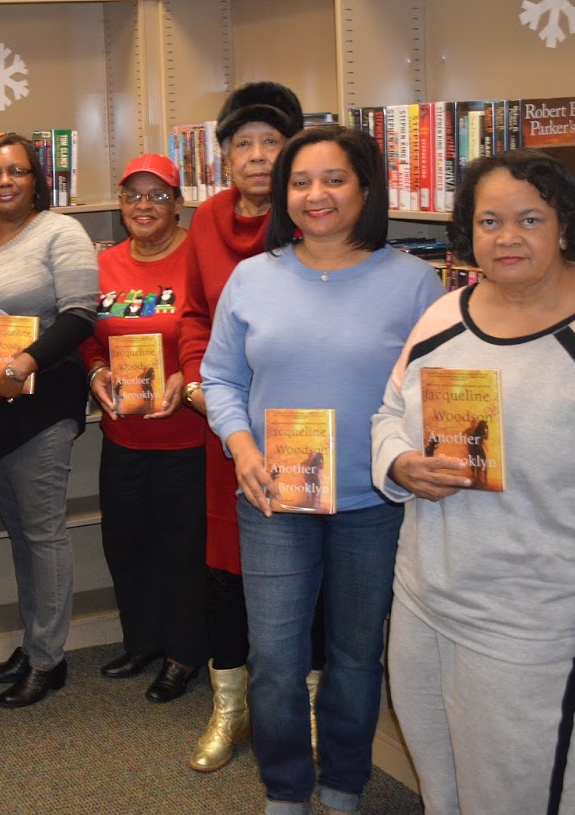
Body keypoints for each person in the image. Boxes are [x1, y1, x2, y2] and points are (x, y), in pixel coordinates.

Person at [372, 149, 575, 815]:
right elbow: (388, 416)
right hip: (425, 603)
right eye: (489, 221)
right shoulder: (443, 316)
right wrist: (399, 464)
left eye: (530, 219)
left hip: (538, 632)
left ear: (565, 225)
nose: (507, 238)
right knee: (442, 794)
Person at [201, 125, 442, 815]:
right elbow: (220, 378)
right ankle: (285, 788)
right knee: (276, 660)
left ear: (365, 188)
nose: (317, 195)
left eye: (334, 179)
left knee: (356, 656)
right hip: (275, 499)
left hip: (375, 504)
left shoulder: (414, 283)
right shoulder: (253, 278)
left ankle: (343, 784)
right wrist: (242, 447)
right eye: (301, 181)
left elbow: (434, 390)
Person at [0, 133, 99, 708]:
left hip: (41, 402)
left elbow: (81, 315)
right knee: (20, 532)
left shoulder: (61, 232)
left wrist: (25, 363)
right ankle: (36, 642)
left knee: (43, 533)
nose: (5, 181)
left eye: (17, 171)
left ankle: (48, 660)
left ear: (36, 180)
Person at [176, 81, 303, 771]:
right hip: (223, 424)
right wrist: (199, 384)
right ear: (224, 158)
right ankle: (231, 707)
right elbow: (195, 313)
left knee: (305, 557)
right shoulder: (206, 219)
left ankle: (304, 710)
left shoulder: (314, 214)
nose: (256, 156)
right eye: (242, 144)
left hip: (298, 422)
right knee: (225, 566)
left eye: (271, 142)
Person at [78, 154, 209, 704]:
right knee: (126, 542)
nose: (144, 205)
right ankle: (143, 642)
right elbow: (86, 335)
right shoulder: (103, 264)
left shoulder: (199, 260)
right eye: (133, 195)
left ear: (178, 204)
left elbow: (219, 334)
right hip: (124, 436)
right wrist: (96, 372)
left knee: (184, 548)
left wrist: (189, 376)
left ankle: (184, 653)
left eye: (158, 195)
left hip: (187, 437)